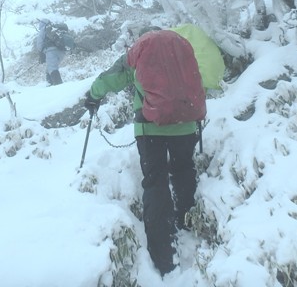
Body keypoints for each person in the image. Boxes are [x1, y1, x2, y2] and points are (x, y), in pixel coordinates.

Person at [84, 28, 201, 277]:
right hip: (187, 125)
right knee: (183, 170)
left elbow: (112, 77)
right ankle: (188, 222)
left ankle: (163, 254)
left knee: (155, 182)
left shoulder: (138, 53)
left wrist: (93, 97)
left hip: (151, 129)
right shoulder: (183, 50)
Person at [36, 19, 74, 85]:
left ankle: (58, 85)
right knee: (49, 68)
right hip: (62, 51)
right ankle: (50, 84)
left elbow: (39, 44)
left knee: (52, 68)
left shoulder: (44, 29)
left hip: (51, 51)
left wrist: (41, 53)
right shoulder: (56, 28)